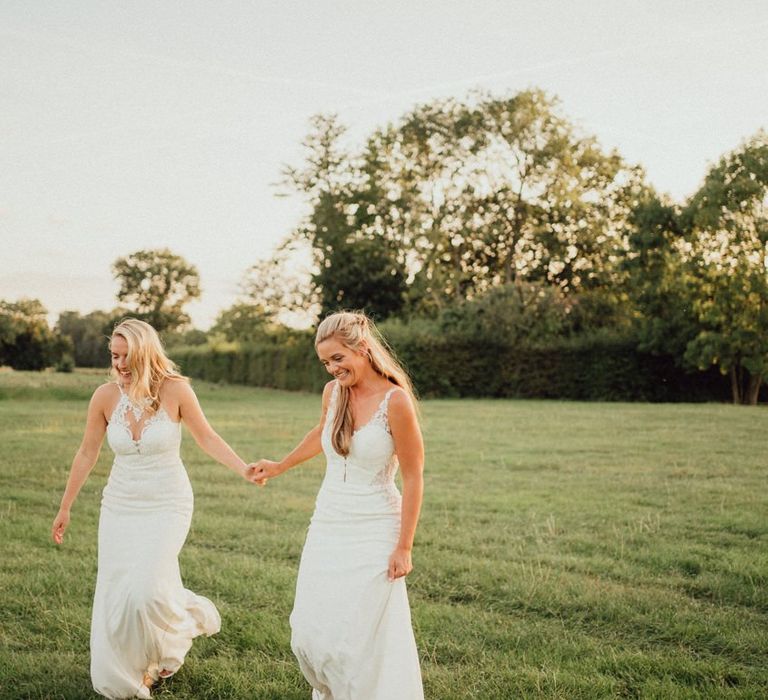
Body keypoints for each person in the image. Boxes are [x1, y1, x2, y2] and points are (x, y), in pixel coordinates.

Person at [51, 318, 261, 699]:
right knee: (120, 592)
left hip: (168, 503)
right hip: (119, 505)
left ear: (146, 353)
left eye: (127, 356)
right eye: (114, 356)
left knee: (147, 590)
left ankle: (185, 617)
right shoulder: (104, 397)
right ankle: (138, 669)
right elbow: (87, 452)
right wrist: (65, 507)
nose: (119, 364)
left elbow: (207, 437)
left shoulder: (176, 391)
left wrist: (243, 468)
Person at [252, 311, 425, 700]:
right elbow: (321, 433)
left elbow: (414, 477)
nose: (332, 369)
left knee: (361, 633)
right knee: (311, 627)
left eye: (338, 359)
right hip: (328, 522)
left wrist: (404, 546)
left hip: (376, 528)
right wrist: (279, 465)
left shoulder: (395, 401)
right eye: (326, 362)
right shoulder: (333, 394)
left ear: (362, 349)